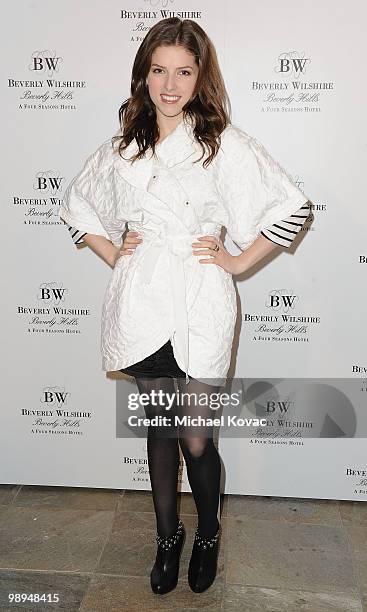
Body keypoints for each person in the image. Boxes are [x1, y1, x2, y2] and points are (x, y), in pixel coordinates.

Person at [59, 17, 312, 596]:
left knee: (196, 436)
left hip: (200, 299)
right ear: (143, 74)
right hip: (143, 299)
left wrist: (238, 262)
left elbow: (290, 204)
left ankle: (209, 535)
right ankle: (167, 539)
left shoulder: (223, 144)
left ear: (201, 78)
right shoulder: (123, 148)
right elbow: (77, 203)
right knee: (160, 431)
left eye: (183, 72)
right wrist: (113, 251)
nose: (169, 85)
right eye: (158, 70)